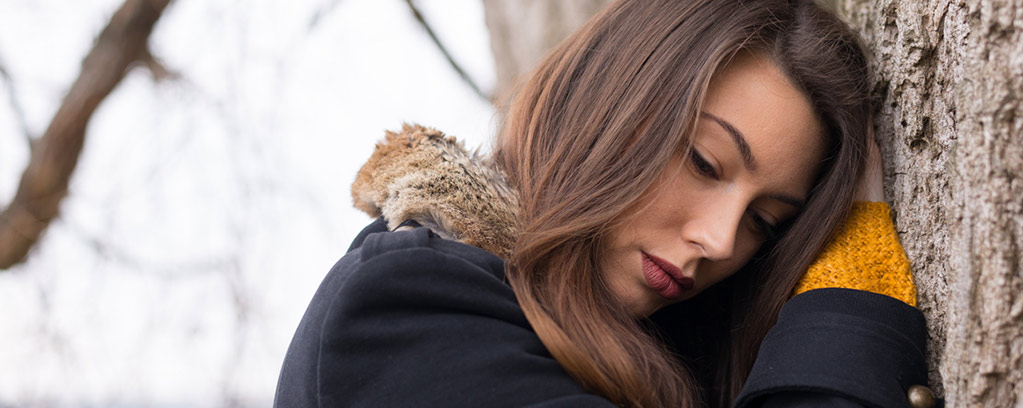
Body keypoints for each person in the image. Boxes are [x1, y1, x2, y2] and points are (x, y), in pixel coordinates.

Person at [275, 0, 935, 407]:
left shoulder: (668, 355)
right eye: (705, 162)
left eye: (766, 222)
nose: (721, 240)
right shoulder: (407, 310)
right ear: (611, 101)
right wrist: (847, 311)